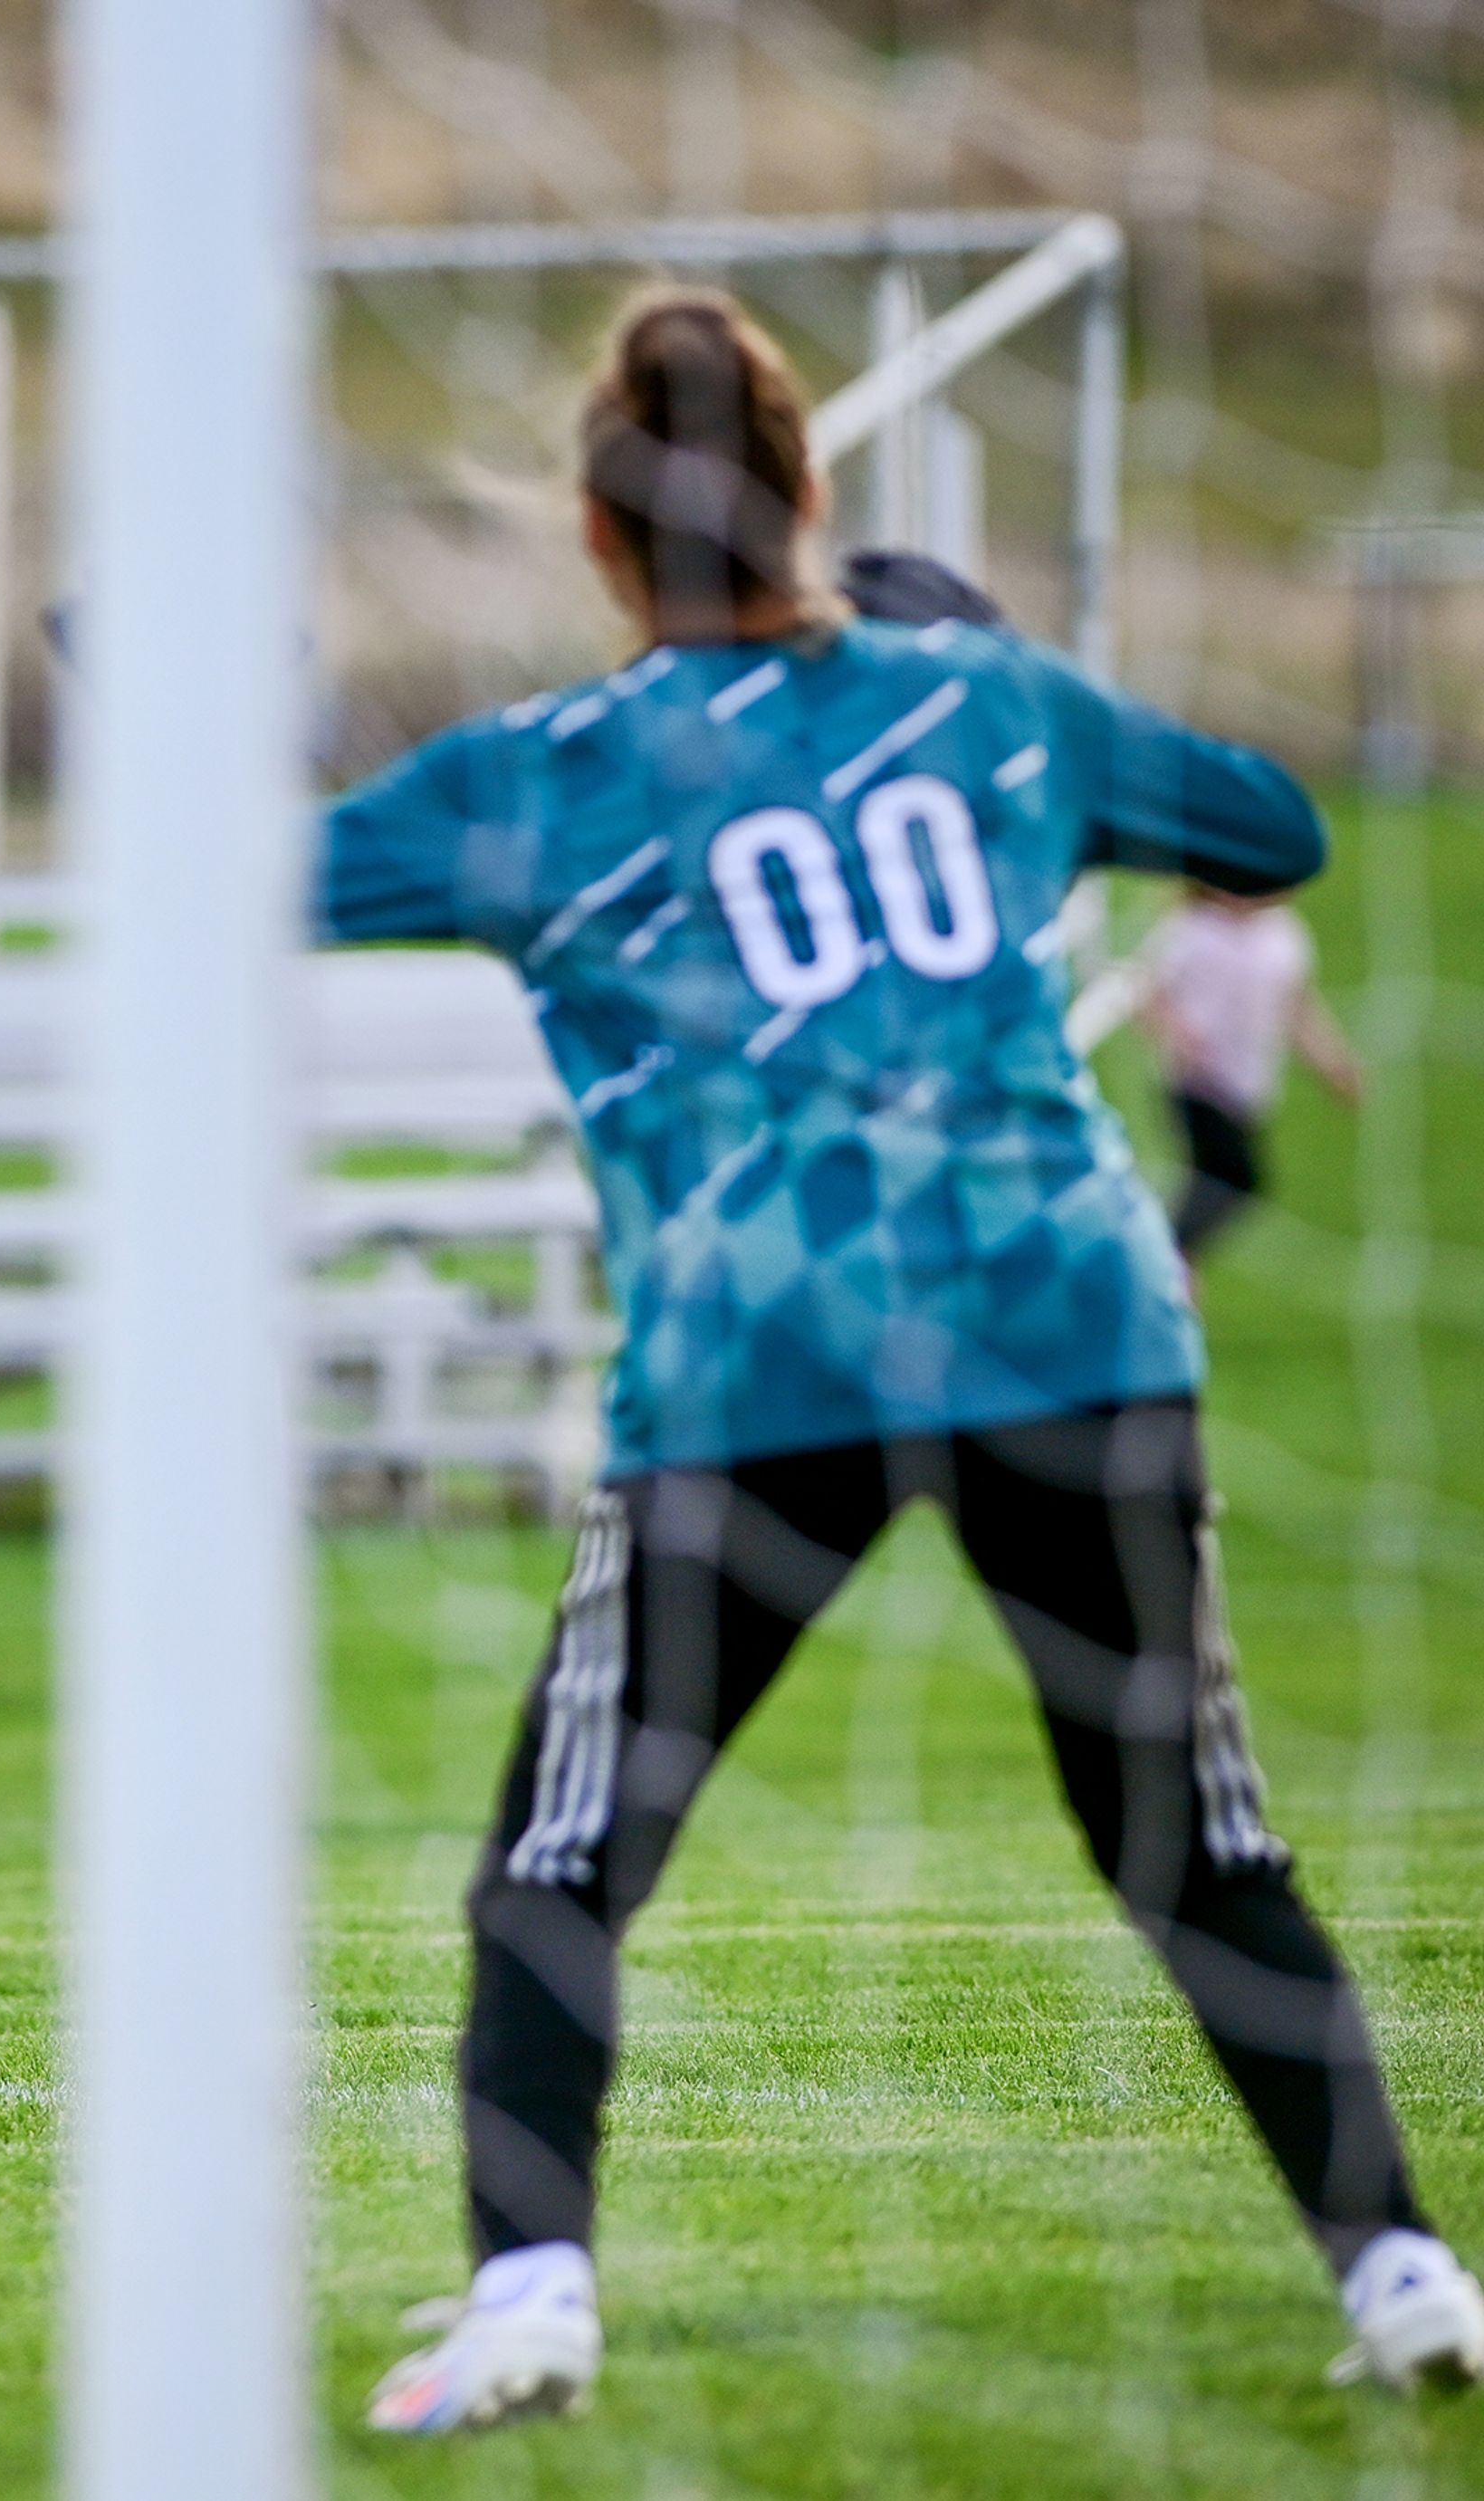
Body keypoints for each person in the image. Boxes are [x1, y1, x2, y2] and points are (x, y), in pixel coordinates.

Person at [320, 290, 1484, 2430]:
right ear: (813, 493)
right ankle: (1405, 2263)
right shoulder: (982, 698)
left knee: (561, 1855)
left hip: (764, 1343)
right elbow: (1272, 833)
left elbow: (277, 877)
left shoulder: (542, 775)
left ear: (597, 540)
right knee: (1186, 1839)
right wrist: (973, 690)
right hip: (1066, 1307)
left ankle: (528, 2296)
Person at [1138, 884, 1364, 1260]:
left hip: (1248, 1084)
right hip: (1198, 1082)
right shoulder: (1190, 931)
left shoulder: (1285, 935)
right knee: (1235, 1176)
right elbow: (1147, 991)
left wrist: (1332, 1063)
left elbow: (1297, 1008)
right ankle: (1166, 1256)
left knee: (1216, 1179)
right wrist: (1176, 1034)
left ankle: (1164, 1255)